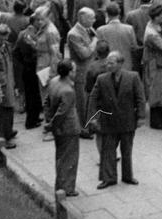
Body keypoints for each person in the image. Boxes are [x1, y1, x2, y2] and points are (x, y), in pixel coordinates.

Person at [88, 51, 147, 189]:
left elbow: (140, 98)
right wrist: (93, 118)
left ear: (120, 64)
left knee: (127, 150)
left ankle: (128, 176)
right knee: (108, 151)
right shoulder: (101, 79)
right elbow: (93, 98)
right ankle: (109, 178)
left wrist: (141, 117)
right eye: (107, 62)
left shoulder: (133, 77)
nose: (108, 65)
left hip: (127, 120)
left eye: (111, 63)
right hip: (108, 121)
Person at [45, 60, 81, 197]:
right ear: (69, 72)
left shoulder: (53, 82)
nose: (76, 73)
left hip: (58, 129)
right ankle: (67, 188)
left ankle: (60, 185)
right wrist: (51, 124)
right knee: (70, 159)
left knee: (60, 157)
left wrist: (49, 120)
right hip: (68, 128)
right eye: (74, 70)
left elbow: (47, 101)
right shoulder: (68, 90)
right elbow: (62, 113)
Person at [142, 4, 162, 128]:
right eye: (161, 14)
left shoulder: (154, 26)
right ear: (155, 17)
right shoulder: (151, 33)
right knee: (158, 93)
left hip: (159, 64)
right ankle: (156, 121)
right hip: (156, 65)